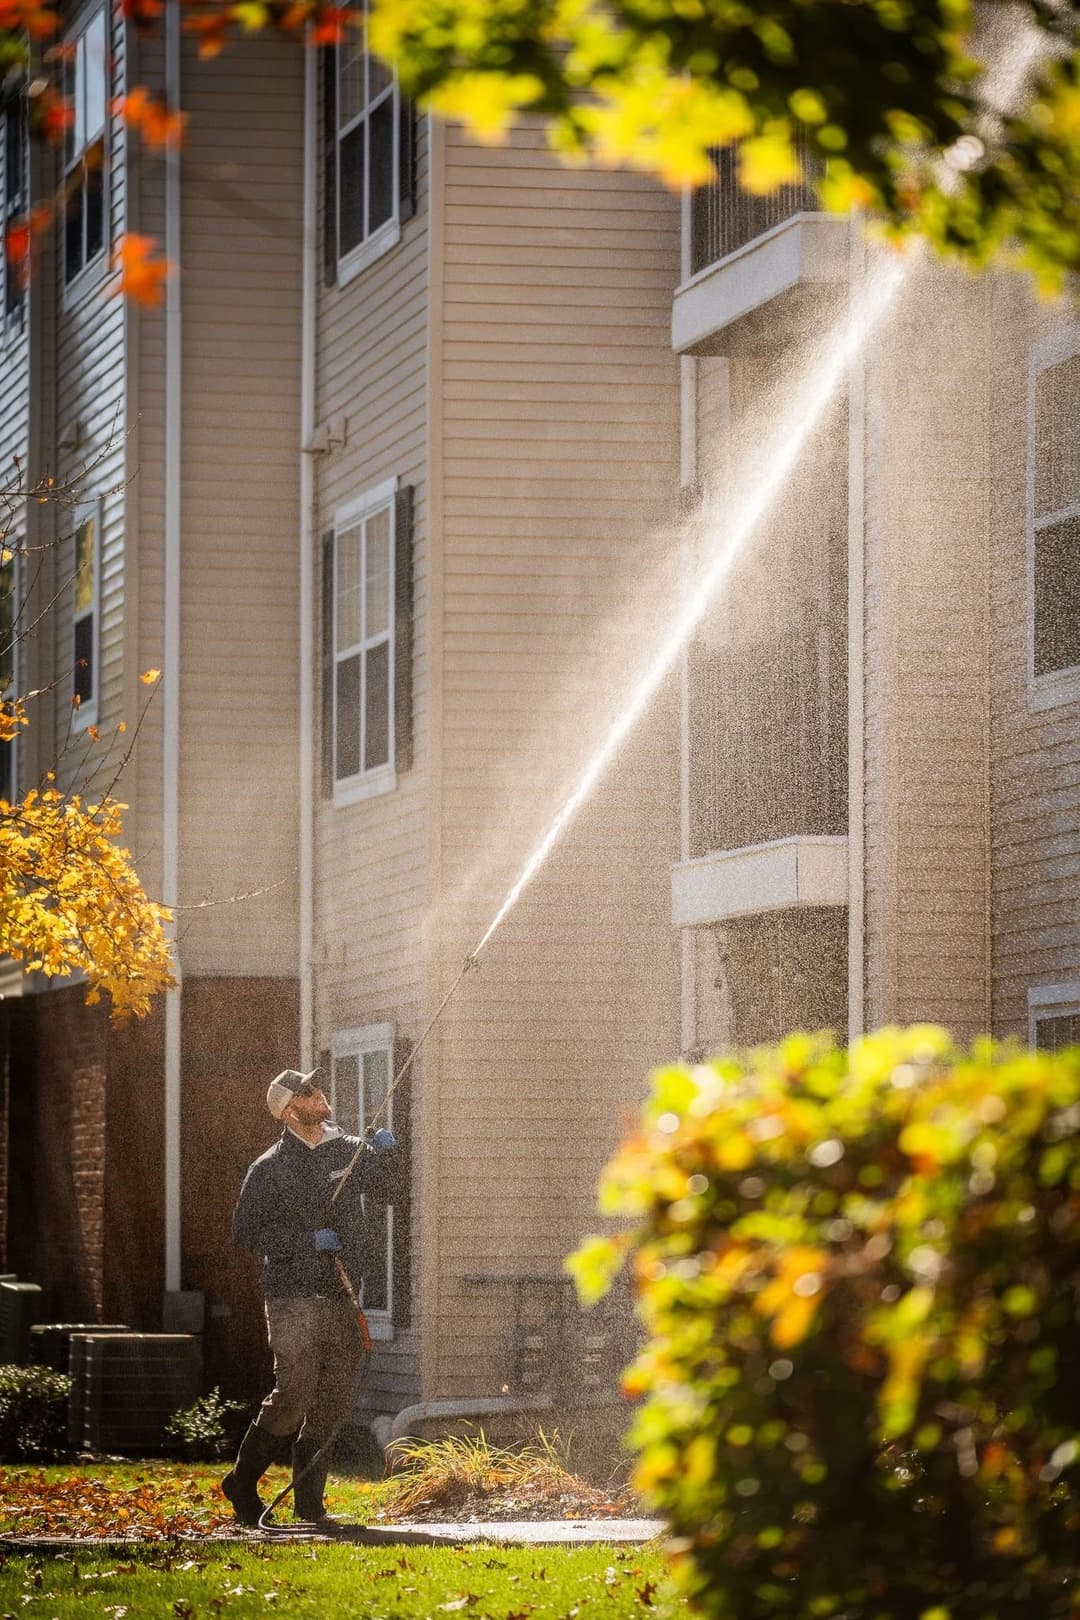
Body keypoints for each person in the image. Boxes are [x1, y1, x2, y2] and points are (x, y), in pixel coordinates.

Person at [221, 1066, 402, 1526]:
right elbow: (245, 1234)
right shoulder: (269, 1168)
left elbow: (393, 1191)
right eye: (307, 1091)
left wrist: (389, 1156)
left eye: (316, 1087)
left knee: (338, 1394)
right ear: (288, 1110)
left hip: (342, 1293)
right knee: (295, 1392)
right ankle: (241, 1483)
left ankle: (309, 1504)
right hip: (293, 1297)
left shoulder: (346, 1150)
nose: (318, 1093)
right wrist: (305, 1242)